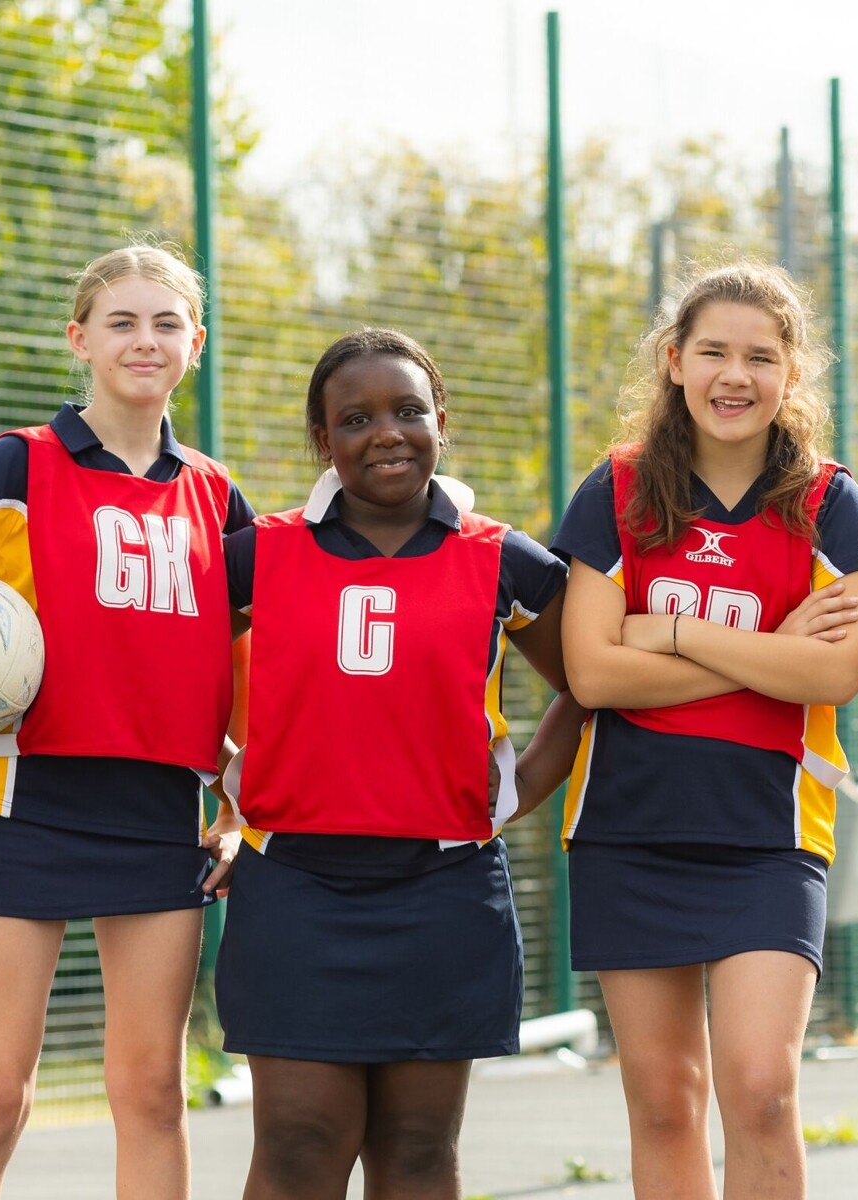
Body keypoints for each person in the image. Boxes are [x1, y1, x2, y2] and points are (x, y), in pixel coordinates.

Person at [0, 243, 250, 1199]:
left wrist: (239, 803)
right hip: (25, 805)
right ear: (80, 339)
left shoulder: (216, 496)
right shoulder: (17, 465)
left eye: (166, 323)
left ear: (196, 344)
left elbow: (246, 660)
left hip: (161, 814)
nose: (144, 340)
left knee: (153, 1093)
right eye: (121, 322)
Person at [553, 262, 858, 1200]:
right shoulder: (619, 488)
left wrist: (670, 632)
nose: (734, 376)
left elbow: (831, 675)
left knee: (762, 1090)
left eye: (760, 357)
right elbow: (593, 673)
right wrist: (767, 648)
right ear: (674, 361)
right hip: (627, 827)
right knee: (665, 1102)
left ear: (793, 373)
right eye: (712, 352)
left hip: (770, 835)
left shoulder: (827, 502)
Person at [216, 328, 582, 1200]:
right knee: (298, 1145)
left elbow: (589, 682)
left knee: (418, 1152)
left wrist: (515, 792)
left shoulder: (502, 558)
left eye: (408, 411)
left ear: (440, 423)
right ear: (323, 440)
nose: (386, 433)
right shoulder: (258, 553)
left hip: (444, 893)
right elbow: (166, 676)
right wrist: (229, 792)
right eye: (356, 418)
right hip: (293, 889)